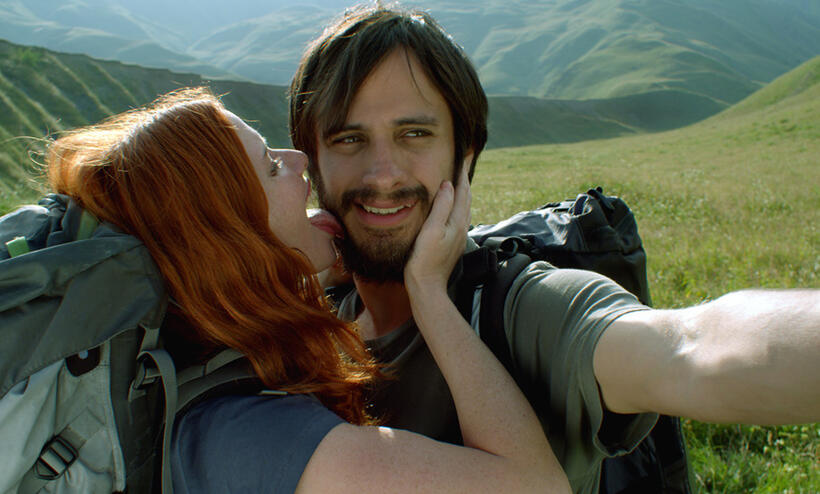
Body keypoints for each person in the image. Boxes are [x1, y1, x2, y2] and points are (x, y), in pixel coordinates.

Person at [287, 5, 820, 493]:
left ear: (464, 157)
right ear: (312, 162)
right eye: (348, 139)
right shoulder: (316, 322)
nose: (383, 174)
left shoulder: (523, 309)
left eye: (414, 134)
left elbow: (691, 348)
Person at [44, 86, 572, 493]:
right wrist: (429, 292)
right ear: (230, 235)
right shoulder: (250, 437)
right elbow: (538, 487)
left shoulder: (179, 350)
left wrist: (298, 269)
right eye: (272, 167)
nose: (300, 160)